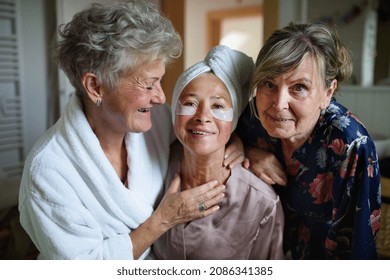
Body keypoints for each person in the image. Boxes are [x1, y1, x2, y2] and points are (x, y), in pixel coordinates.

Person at [18, 1, 244, 260]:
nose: (160, 98)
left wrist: (238, 143)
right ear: (96, 87)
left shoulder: (156, 122)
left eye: (160, 81)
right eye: (149, 85)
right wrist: (164, 219)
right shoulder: (48, 171)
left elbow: (199, 133)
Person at [236, 22, 381, 259]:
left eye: (299, 88)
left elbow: (358, 251)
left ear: (327, 93)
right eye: (269, 83)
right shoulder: (252, 118)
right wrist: (246, 150)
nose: (279, 103)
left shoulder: (350, 143)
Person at [153, 45, 285, 260]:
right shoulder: (156, 166)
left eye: (218, 106)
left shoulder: (261, 203)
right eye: (189, 103)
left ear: (233, 122)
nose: (203, 116)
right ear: (174, 112)